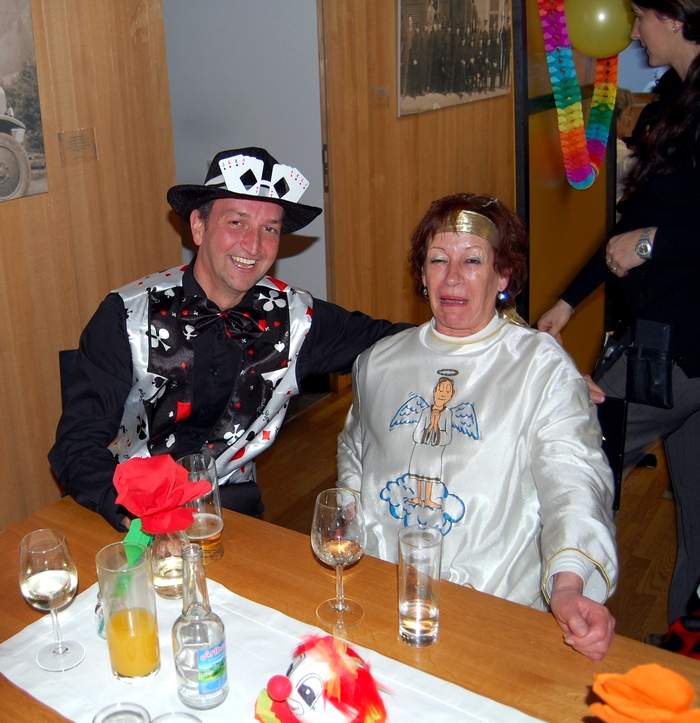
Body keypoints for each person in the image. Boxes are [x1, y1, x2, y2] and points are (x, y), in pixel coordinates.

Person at [50, 146, 407, 531]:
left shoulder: (297, 319)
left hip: (232, 513)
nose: (253, 246)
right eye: (237, 222)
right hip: (129, 511)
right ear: (198, 226)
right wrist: (130, 511)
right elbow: (76, 444)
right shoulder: (126, 316)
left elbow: (398, 345)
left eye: (270, 229)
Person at [338, 193, 618, 661]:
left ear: (502, 274)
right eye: (437, 260)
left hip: (495, 608)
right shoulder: (378, 362)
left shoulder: (539, 366)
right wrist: (348, 529)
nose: (452, 278)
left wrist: (569, 584)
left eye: (472, 261)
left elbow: (573, 479)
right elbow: (354, 453)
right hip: (387, 594)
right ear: (421, 274)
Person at [537, 0, 700, 624]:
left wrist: (654, 243)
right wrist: (567, 300)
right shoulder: (671, 104)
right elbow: (627, 231)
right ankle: (688, 645)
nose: (632, 31)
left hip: (680, 349)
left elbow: (649, 236)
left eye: (641, 17)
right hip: (665, 338)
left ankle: (568, 619)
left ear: (676, 18)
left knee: (580, 457)